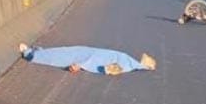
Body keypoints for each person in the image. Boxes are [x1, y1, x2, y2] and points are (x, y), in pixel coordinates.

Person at [19, 43, 156, 75]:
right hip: (88, 55)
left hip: (87, 56)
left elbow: (98, 61)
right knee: (64, 54)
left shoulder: (125, 61)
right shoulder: (127, 61)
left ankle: (31, 54)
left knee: (64, 55)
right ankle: (35, 53)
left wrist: (80, 65)